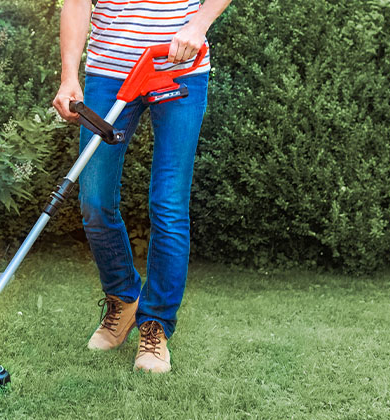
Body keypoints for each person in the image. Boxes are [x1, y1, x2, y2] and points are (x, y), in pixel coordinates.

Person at [52, 0, 231, 373]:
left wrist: (198, 25)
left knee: (168, 203)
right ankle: (123, 298)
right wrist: (70, 74)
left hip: (181, 69)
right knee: (95, 199)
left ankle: (156, 325)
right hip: (109, 72)